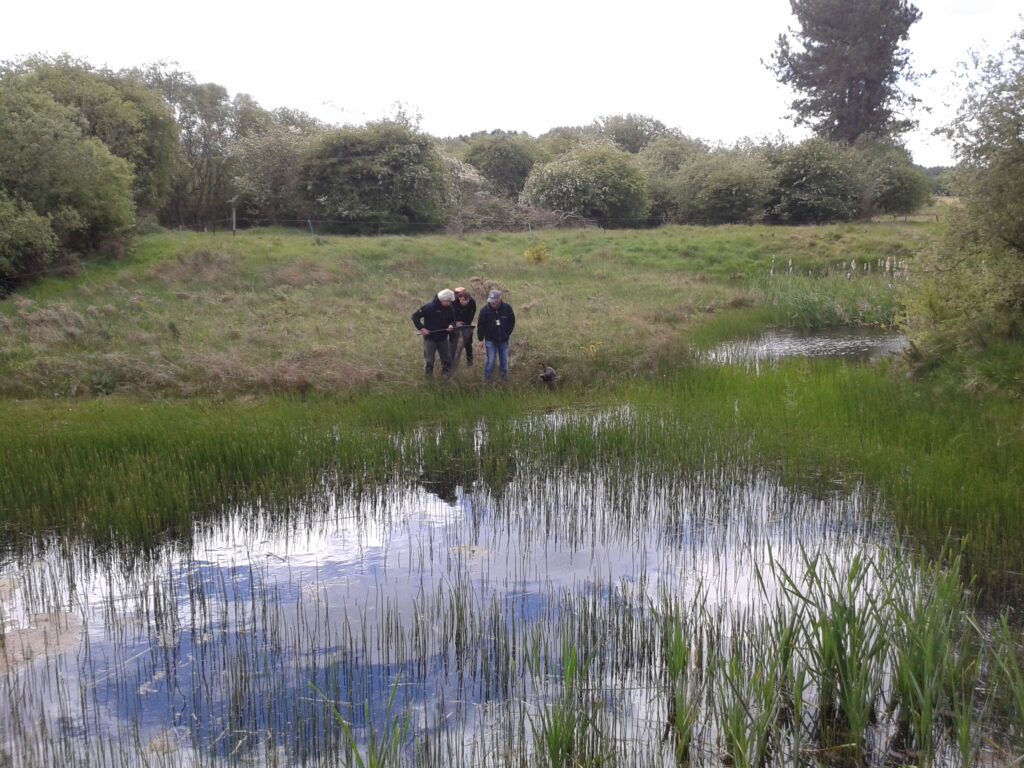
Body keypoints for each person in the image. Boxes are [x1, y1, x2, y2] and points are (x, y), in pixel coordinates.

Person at [412, 288, 456, 378]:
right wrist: (422, 328)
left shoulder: (450, 307)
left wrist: (451, 325)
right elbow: (415, 316)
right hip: (430, 339)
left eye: (450, 302)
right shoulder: (429, 307)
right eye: (448, 302)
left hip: (443, 338)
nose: (449, 303)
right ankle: (428, 379)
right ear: (442, 300)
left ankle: (446, 377)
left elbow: (453, 320)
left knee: (447, 360)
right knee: (429, 361)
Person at [476, 289, 515, 382]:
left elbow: (512, 321)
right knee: (491, 361)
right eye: (491, 302)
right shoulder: (484, 311)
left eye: (495, 302)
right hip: (490, 340)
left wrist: (507, 333)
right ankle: (487, 381)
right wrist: (480, 340)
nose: (493, 304)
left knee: (504, 362)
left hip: (504, 340)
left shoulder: (507, 308)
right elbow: (480, 326)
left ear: (499, 299)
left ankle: (504, 380)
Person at [450, 287, 477, 367]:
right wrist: (455, 323)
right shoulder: (453, 302)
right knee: (452, 343)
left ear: (469, 299)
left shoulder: (472, 302)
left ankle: (470, 363)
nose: (464, 302)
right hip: (455, 324)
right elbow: (451, 314)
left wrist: (465, 323)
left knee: (468, 344)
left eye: (466, 301)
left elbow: (471, 315)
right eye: (462, 300)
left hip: (466, 324)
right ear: (459, 298)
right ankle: (451, 362)